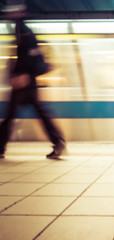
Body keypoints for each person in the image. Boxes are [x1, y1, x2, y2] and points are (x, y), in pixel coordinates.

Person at [0, 3, 66, 159]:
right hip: (24, 80)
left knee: (15, 115)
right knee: (35, 113)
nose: (9, 14)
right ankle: (58, 142)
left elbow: (28, 55)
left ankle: (58, 142)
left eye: (13, 12)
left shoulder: (23, 30)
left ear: (21, 13)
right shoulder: (19, 29)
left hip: (24, 82)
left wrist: (23, 75)